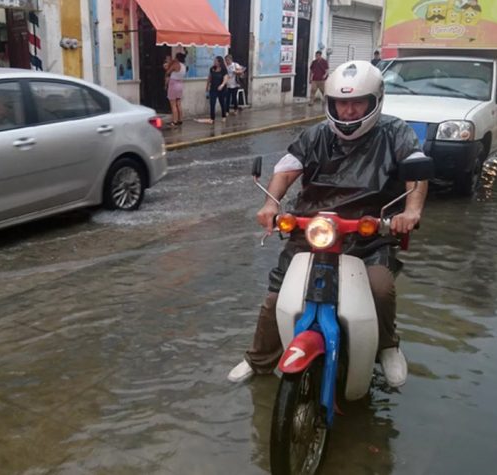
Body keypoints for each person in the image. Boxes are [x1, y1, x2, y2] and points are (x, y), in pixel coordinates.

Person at [227, 60, 429, 388]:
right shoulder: (315, 135)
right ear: (330, 103)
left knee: (379, 286)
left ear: (374, 100)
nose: (348, 111)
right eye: (341, 103)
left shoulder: (395, 133)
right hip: (313, 230)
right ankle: (259, 357)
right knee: (277, 296)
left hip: (369, 234)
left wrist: (410, 212)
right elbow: (287, 169)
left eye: (357, 102)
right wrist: (270, 203)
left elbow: (416, 172)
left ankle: (387, 344)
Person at [199, 56, 229, 124]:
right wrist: (207, 87)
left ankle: (223, 116)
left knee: (222, 103)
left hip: (221, 89)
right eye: (214, 61)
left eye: (216, 61)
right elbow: (209, 78)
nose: (214, 62)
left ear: (219, 62)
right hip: (213, 89)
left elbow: (226, 78)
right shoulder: (212, 69)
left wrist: (222, 85)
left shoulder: (224, 69)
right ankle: (212, 118)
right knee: (212, 103)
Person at [166, 53, 187, 127]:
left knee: (173, 104)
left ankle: (174, 121)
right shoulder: (183, 66)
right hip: (180, 84)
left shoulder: (176, 64)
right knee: (178, 103)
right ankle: (180, 120)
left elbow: (168, 71)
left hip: (173, 84)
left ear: (177, 58)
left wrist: (170, 63)